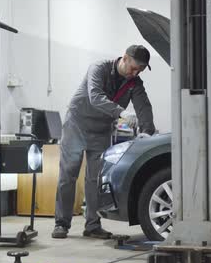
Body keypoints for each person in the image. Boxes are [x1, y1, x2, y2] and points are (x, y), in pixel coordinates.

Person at [52, 45, 156, 239]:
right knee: (68, 175)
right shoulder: (98, 68)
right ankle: (61, 224)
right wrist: (121, 112)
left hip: (101, 131)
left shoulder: (134, 83)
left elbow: (144, 107)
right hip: (77, 125)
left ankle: (92, 225)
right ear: (124, 58)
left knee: (95, 180)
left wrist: (147, 132)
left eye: (139, 71)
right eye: (133, 68)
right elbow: (95, 97)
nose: (134, 74)